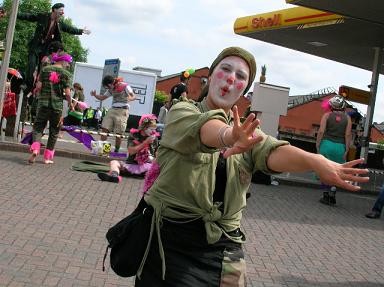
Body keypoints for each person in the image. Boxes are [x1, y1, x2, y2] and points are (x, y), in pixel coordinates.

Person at [133, 47, 369, 286]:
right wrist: (228, 136)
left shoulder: (247, 130)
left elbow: (272, 151)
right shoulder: (183, 111)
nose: (231, 78)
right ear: (211, 75)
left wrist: (315, 161)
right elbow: (206, 129)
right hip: (172, 241)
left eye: (241, 76)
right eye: (225, 69)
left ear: (244, 90)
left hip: (225, 248)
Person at [1, 3, 91, 95]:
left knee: (42, 69)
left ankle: (36, 88)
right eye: (61, 10)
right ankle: (27, 85)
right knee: (31, 65)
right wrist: (10, 13)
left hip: (46, 49)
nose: (62, 13)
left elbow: (70, 29)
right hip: (36, 47)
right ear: (54, 10)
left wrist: (81, 31)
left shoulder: (59, 24)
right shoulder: (43, 16)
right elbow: (28, 16)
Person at [28, 52, 74, 164]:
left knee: (38, 128)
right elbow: (67, 93)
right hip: (57, 107)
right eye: (68, 63)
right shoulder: (66, 74)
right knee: (54, 131)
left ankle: (35, 149)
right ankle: (47, 158)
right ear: (63, 61)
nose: (68, 65)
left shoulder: (45, 69)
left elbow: (38, 86)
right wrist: (70, 104)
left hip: (43, 104)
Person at [97, 114, 159, 183]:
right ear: (144, 128)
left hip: (147, 167)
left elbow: (157, 154)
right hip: (131, 165)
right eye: (151, 129)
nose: (154, 132)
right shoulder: (134, 136)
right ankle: (114, 176)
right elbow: (131, 151)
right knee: (114, 162)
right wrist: (146, 142)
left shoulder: (154, 138)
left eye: (155, 129)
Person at [316, 94, 352, 205]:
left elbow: (321, 131)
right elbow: (348, 135)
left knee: (324, 169)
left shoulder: (326, 116)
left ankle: (326, 194)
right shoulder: (348, 118)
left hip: (326, 145)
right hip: (340, 147)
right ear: (343, 106)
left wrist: (318, 144)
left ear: (331, 105)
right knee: (337, 171)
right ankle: (333, 193)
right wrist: (346, 149)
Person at [90, 76, 136, 153]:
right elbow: (102, 98)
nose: (107, 88)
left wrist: (130, 99)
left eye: (107, 86)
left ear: (111, 83)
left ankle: (116, 150)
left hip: (123, 110)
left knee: (119, 132)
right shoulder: (111, 89)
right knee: (105, 128)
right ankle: (101, 149)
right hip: (113, 109)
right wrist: (95, 95)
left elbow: (134, 96)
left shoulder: (125, 86)